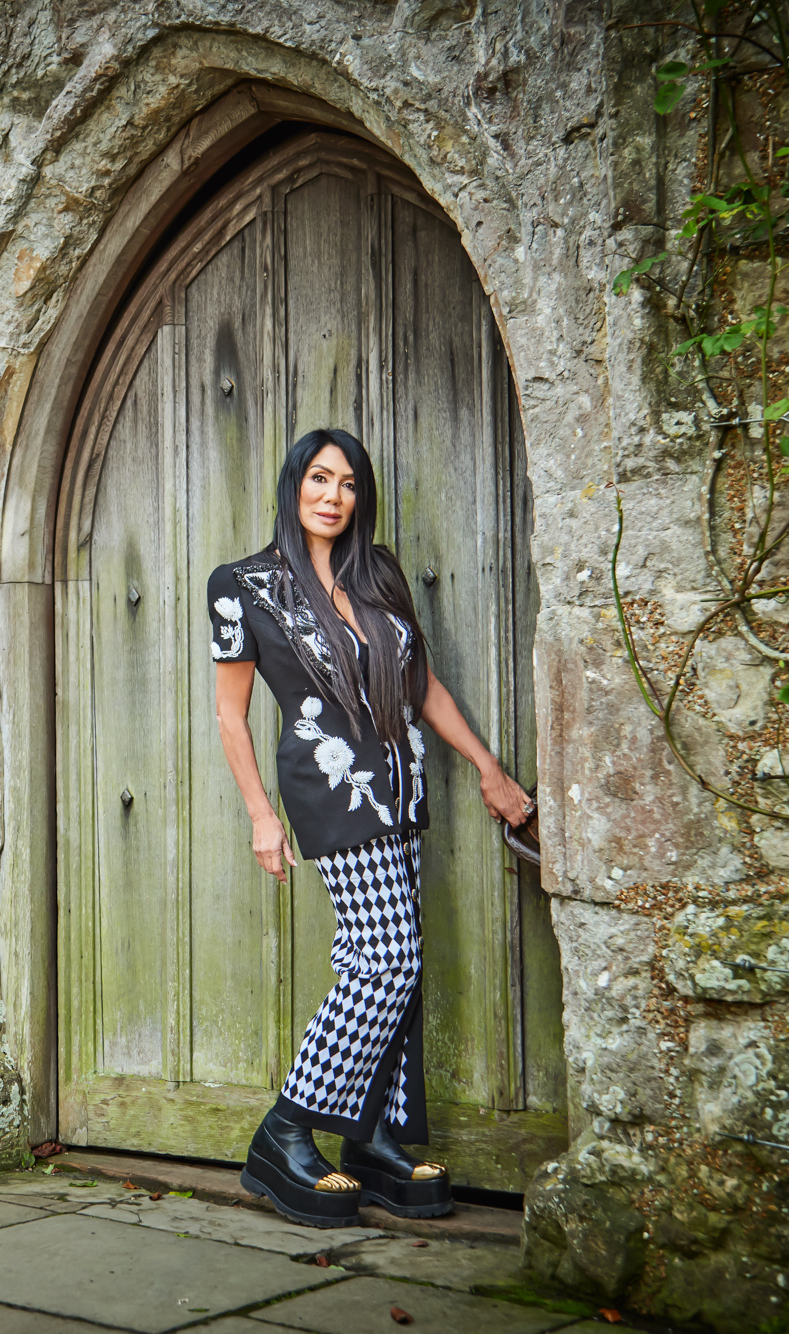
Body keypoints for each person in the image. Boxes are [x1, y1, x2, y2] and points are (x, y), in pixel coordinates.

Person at [207, 427, 532, 1226]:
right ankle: (284, 1131)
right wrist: (260, 817)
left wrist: (488, 770)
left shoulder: (376, 573)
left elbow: (423, 685)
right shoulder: (242, 584)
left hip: (404, 789)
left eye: (349, 484)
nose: (333, 496)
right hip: (331, 794)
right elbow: (230, 715)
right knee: (387, 961)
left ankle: (375, 1138)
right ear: (294, 485)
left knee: (389, 966)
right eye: (320, 478)